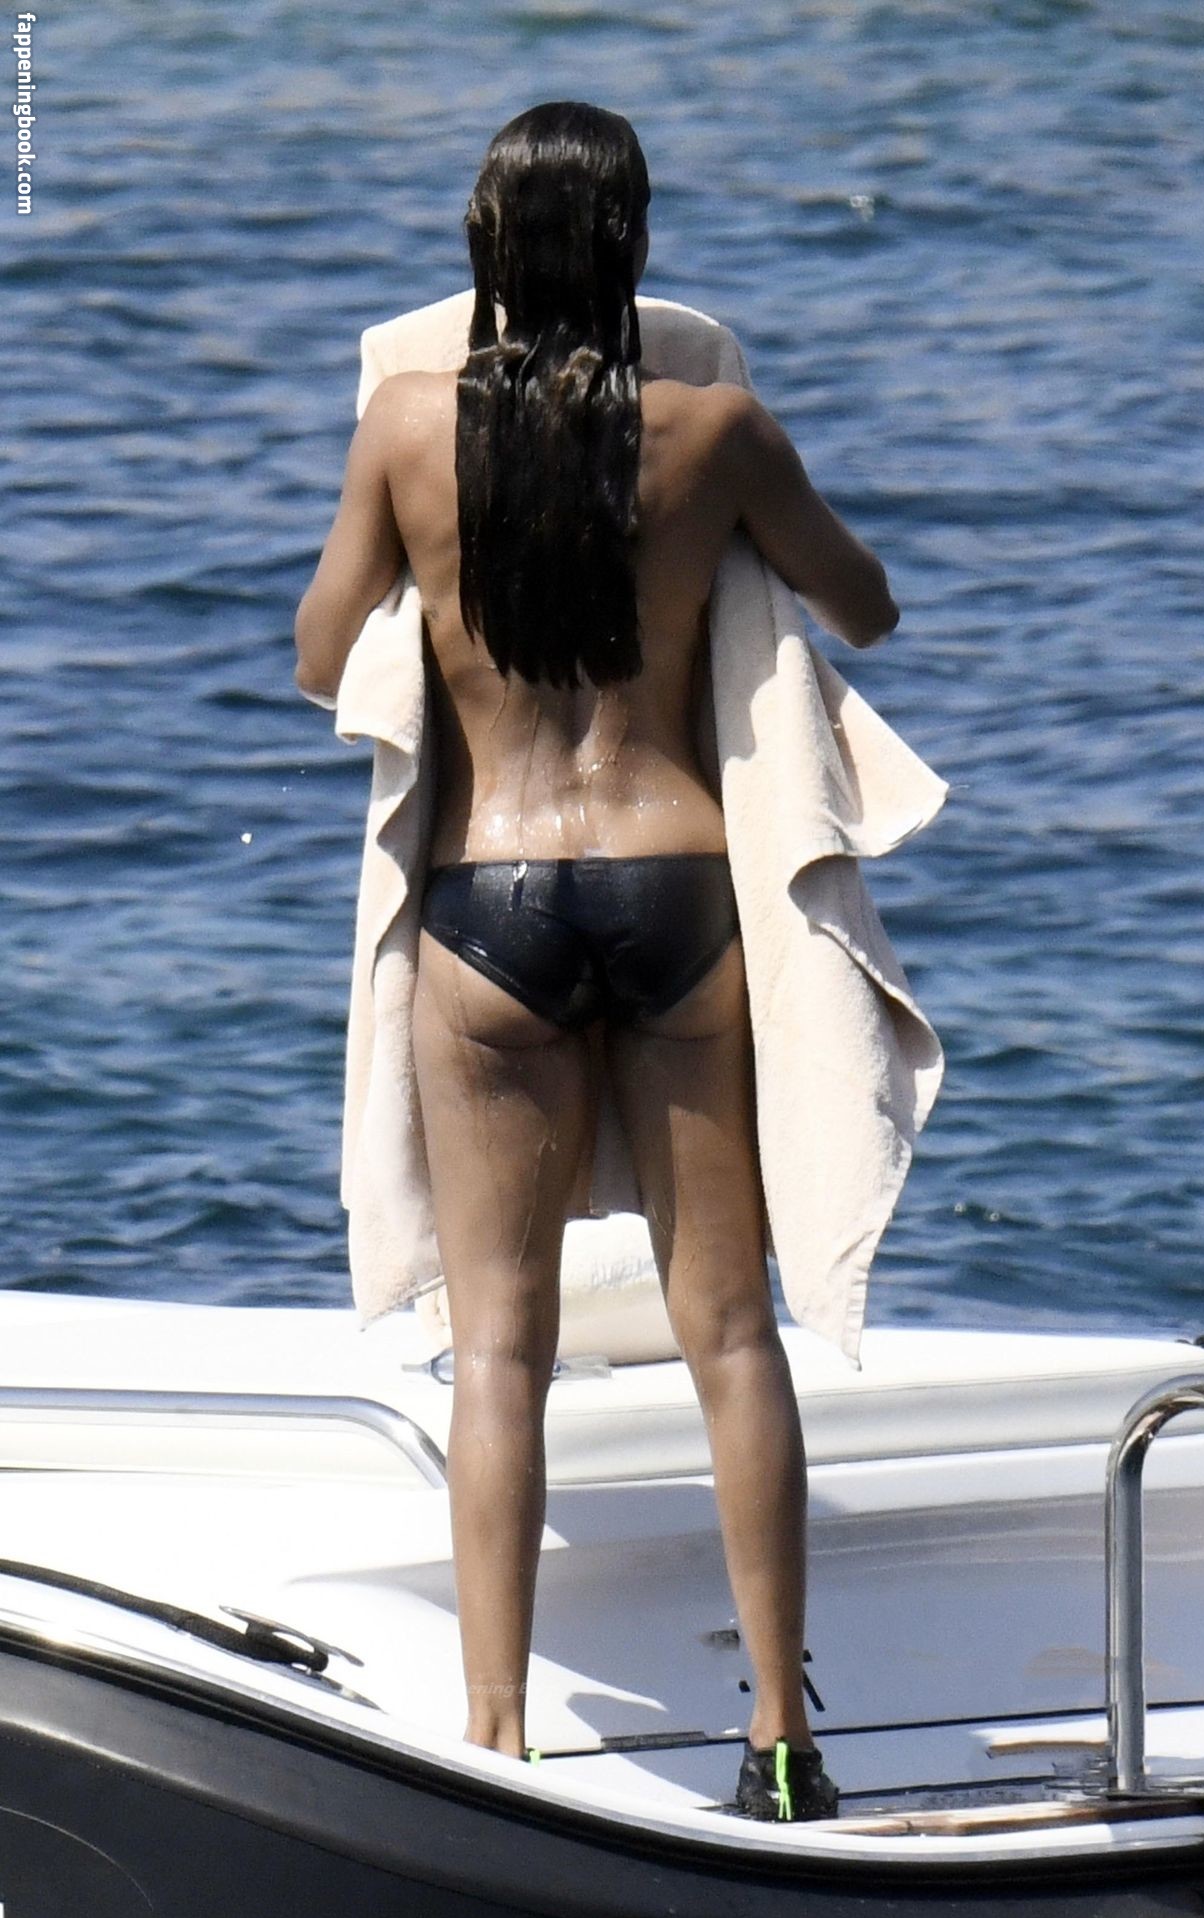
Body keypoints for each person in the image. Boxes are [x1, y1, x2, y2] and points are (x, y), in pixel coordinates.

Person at [294, 100, 898, 1823]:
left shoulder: (405, 429)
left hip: (489, 899)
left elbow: (322, 653)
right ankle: (778, 1740)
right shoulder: (717, 435)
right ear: (632, 247)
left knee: (500, 1346)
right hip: (677, 888)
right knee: (731, 1333)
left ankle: (498, 1743)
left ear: (485, 250)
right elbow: (864, 605)